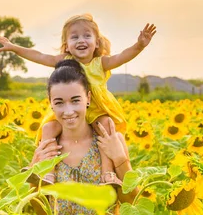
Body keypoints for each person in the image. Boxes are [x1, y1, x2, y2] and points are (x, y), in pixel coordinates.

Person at [0, 13, 156, 185]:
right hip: (71, 110)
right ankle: (48, 173)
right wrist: (15, 48)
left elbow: (122, 57)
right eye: (75, 37)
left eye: (87, 35)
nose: (81, 40)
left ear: (97, 42)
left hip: (97, 109)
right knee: (49, 128)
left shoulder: (101, 63)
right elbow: (40, 56)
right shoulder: (65, 60)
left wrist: (139, 45)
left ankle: (108, 174)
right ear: (66, 45)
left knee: (106, 127)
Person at [28, 59, 138, 214]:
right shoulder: (48, 145)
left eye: (75, 100)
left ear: (88, 98)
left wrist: (119, 158)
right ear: (50, 103)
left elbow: (133, 202)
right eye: (59, 103)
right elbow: (39, 208)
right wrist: (35, 168)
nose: (68, 111)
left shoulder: (110, 140)